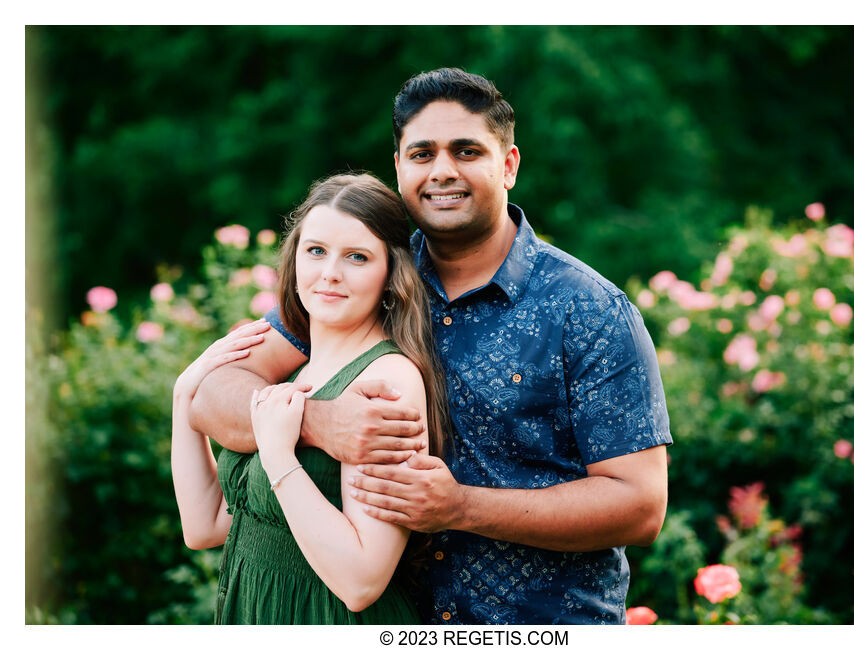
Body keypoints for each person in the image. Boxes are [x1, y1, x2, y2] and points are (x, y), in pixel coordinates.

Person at [190, 68, 672, 624]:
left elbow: (639, 506)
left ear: (509, 164)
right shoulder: (363, 273)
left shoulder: (588, 311)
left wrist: (461, 507)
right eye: (422, 153)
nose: (443, 171)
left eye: (466, 151)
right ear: (398, 167)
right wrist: (319, 423)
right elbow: (217, 392)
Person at [172, 173, 450, 624]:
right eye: (316, 251)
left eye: (356, 257)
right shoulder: (300, 372)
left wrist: (282, 456)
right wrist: (184, 395)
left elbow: (362, 580)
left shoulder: (386, 380)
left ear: (390, 273)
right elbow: (205, 526)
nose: (330, 274)